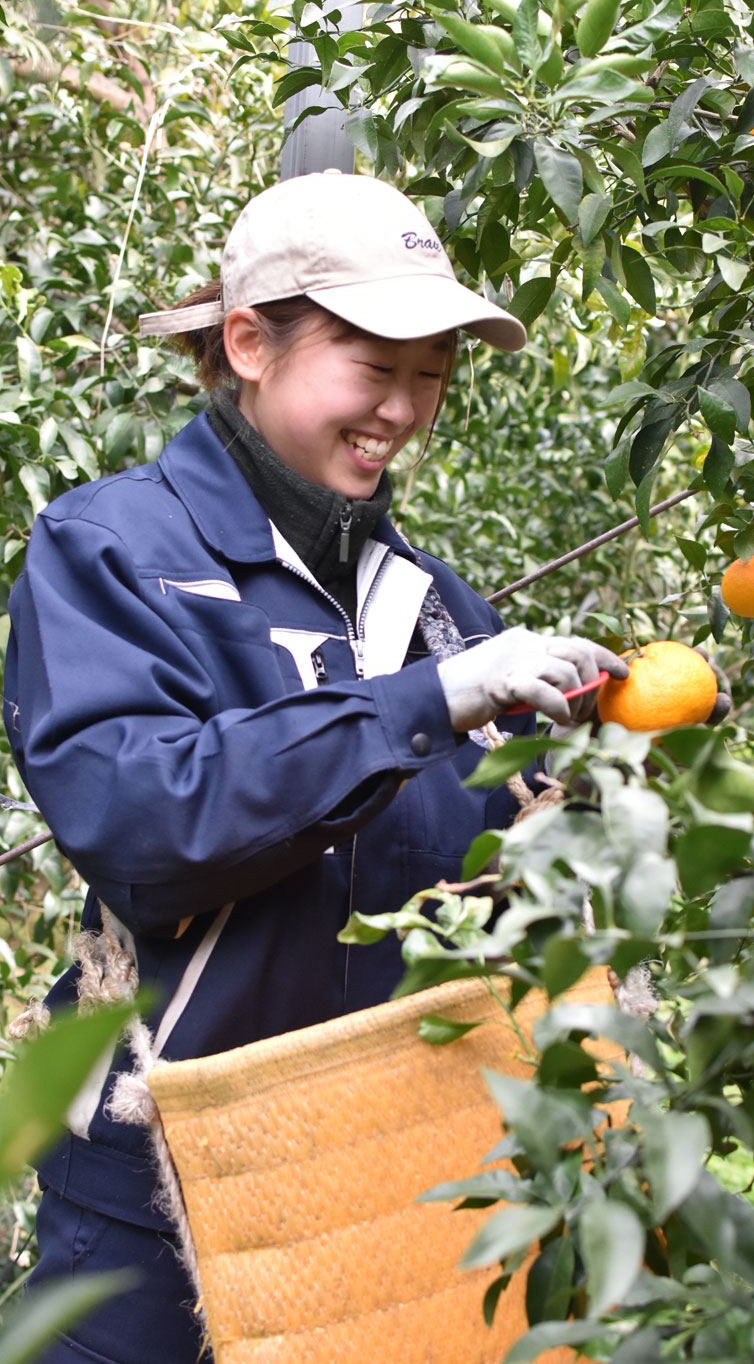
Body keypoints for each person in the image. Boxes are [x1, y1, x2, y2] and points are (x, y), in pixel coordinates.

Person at [2, 170, 628, 1363]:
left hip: (375, 1198)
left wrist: (589, 782)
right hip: (160, 1197)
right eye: (372, 366)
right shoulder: (113, 552)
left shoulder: (440, 609)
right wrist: (422, 705)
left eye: (430, 375)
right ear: (249, 342)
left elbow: (484, 878)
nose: (402, 407)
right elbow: (143, 818)